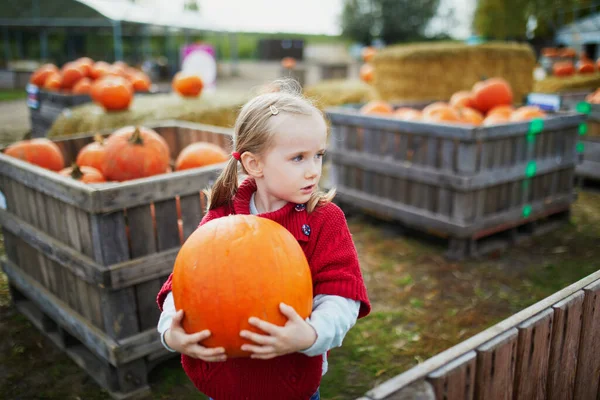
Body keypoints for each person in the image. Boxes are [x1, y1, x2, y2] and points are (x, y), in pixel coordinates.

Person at [156, 79, 370, 400]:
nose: (313, 170)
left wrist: (311, 334)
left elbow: (342, 295)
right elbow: (183, 286)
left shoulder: (324, 220)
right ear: (254, 164)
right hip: (225, 384)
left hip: (291, 385)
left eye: (318, 155)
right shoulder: (222, 217)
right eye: (298, 158)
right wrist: (170, 332)